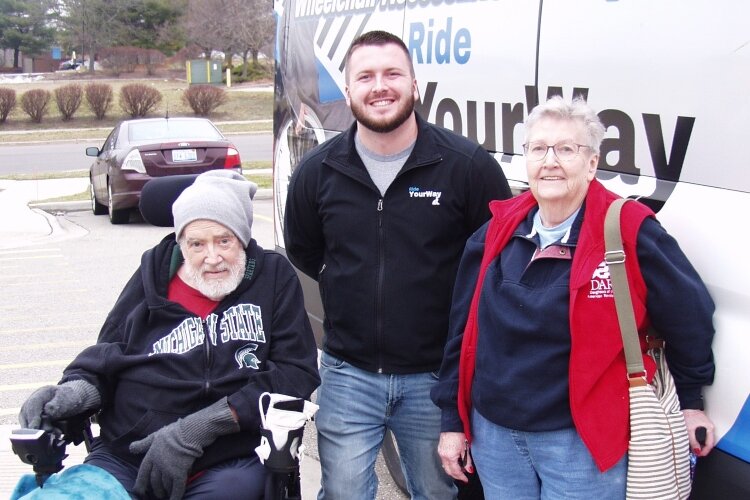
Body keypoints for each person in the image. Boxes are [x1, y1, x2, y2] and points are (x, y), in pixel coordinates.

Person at [430, 96, 716, 498]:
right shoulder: (496, 230)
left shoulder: (629, 230)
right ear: (525, 158)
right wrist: (452, 421)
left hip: (580, 441)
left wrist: (691, 400)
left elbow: (690, 316)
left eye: (567, 149)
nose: (550, 161)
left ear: (593, 163)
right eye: (538, 149)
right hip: (495, 437)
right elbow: (461, 331)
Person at [283, 30, 511, 499]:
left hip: (436, 380)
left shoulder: (466, 167)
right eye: (365, 76)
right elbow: (304, 251)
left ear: (415, 84)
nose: (379, 86)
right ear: (348, 91)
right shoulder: (318, 172)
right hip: (348, 374)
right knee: (343, 492)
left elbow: (495, 260)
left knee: (437, 492)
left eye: (392, 73)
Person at [19, 170, 320, 500]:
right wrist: (73, 394)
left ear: (243, 239)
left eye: (224, 240)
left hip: (225, 459)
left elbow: (296, 373)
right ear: (181, 243)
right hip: (128, 455)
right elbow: (107, 356)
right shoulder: (152, 276)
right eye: (197, 244)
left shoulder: (272, 278)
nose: (212, 257)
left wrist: (200, 427)